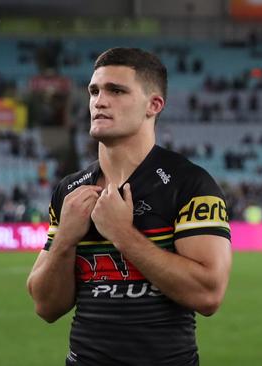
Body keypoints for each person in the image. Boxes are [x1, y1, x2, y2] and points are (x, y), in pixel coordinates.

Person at [27, 47, 232, 365]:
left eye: (116, 90)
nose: (99, 101)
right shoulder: (69, 191)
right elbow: (45, 306)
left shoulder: (191, 185)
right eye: (94, 90)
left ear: (154, 105)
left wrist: (122, 234)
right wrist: (65, 240)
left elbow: (207, 295)